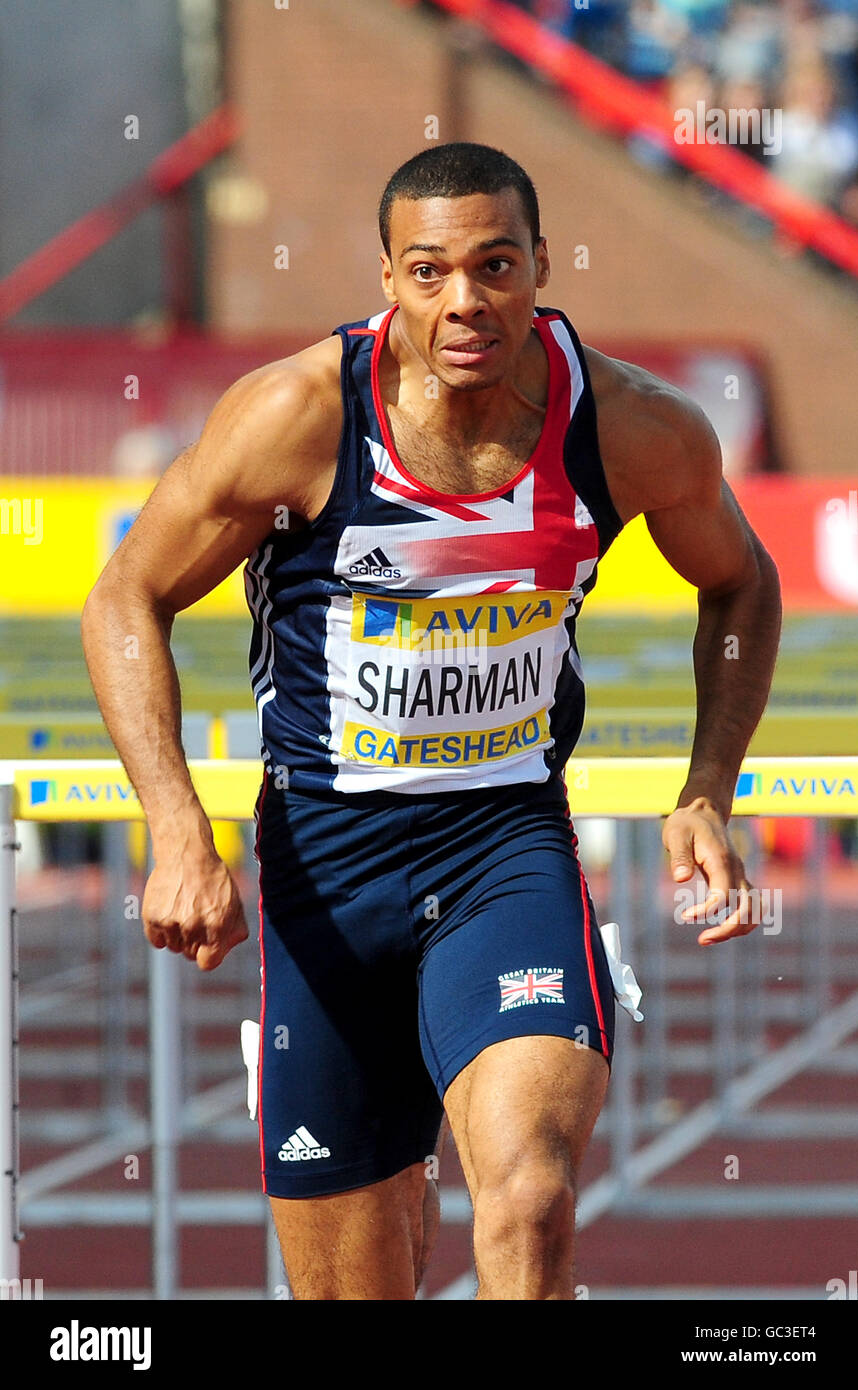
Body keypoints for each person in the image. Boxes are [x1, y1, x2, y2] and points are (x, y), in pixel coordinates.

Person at [81, 142, 782, 1301]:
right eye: (430, 272)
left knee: (528, 1195)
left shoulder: (627, 425)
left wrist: (707, 784)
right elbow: (125, 596)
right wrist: (174, 827)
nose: (465, 300)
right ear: (390, 279)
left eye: (496, 265)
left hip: (503, 847)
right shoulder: (298, 416)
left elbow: (741, 582)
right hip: (328, 870)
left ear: (542, 265)